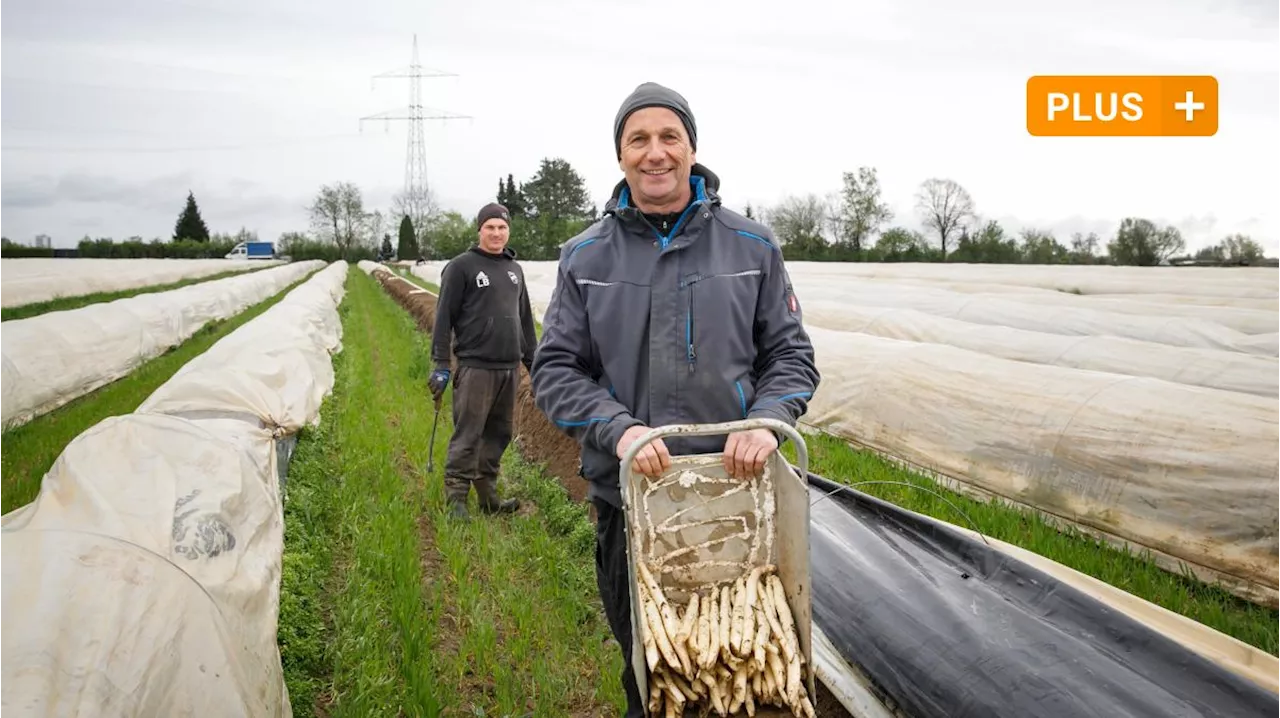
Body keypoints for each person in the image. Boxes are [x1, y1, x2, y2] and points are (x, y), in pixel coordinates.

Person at [529, 82, 820, 717]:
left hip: (739, 498)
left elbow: (791, 357)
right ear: (620, 155)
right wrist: (621, 430)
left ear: (693, 149)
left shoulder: (753, 247)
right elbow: (554, 369)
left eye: (670, 137)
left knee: (745, 670)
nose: (655, 152)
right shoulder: (583, 256)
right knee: (655, 673)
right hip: (631, 498)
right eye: (639, 139)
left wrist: (768, 421)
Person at [429, 202, 538, 520]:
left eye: (502, 227)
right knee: (469, 432)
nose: (496, 232)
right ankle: (456, 500)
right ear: (479, 230)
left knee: (499, 433)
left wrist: (534, 363)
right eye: (490, 227)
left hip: (509, 368)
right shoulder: (461, 267)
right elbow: (443, 318)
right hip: (476, 368)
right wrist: (441, 365)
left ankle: (488, 496)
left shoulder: (514, 270)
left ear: (508, 231)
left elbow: (525, 321)